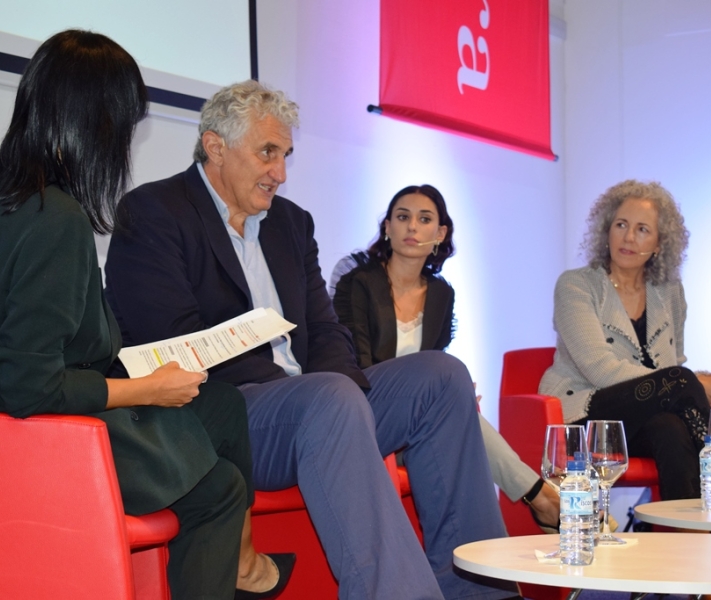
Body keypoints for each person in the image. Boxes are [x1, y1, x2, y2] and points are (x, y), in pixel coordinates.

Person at [104, 80, 517, 600]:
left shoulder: (291, 224)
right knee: (328, 397)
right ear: (215, 147)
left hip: (322, 406)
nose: (280, 172)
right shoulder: (155, 212)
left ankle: (478, 592)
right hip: (228, 413)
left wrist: (349, 397)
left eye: (286, 156)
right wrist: (320, 392)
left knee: (441, 376)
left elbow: (325, 330)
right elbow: (168, 339)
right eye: (268, 153)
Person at [0, 30, 283, 600]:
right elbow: (31, 388)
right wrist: (147, 391)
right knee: (220, 491)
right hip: (24, 435)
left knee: (219, 404)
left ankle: (238, 561)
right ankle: (232, 557)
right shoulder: (55, 218)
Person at [330, 184, 560, 532]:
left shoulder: (441, 293)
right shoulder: (357, 283)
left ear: (439, 234)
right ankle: (542, 498)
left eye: (424, 220)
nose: (411, 227)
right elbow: (357, 368)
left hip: (422, 419)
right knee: (457, 414)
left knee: (460, 413)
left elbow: (435, 360)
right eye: (402, 217)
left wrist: (452, 393)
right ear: (387, 228)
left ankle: (532, 514)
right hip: (371, 410)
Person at [539, 179, 711, 501]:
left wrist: (686, 382)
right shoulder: (576, 285)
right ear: (606, 230)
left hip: (646, 417)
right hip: (586, 413)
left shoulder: (669, 291)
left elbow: (673, 363)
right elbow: (599, 368)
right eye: (621, 225)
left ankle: (686, 538)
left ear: (659, 243)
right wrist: (693, 382)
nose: (628, 237)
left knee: (670, 428)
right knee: (682, 381)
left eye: (642, 229)